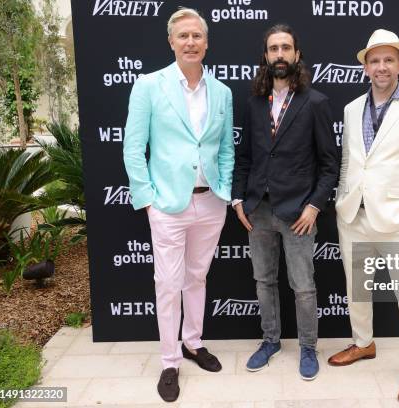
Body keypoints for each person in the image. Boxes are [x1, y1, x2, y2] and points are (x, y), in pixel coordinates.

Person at [123, 8, 234, 402]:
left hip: (211, 204)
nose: (190, 42)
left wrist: (225, 191)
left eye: (197, 36)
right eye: (183, 36)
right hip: (167, 205)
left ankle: (193, 342)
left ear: (206, 43)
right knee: (168, 285)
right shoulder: (148, 86)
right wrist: (149, 202)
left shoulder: (222, 92)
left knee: (197, 278)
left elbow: (225, 150)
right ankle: (170, 362)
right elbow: (133, 149)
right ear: (171, 42)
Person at [327, 29, 399, 403]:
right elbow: (348, 161)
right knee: (357, 290)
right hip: (353, 215)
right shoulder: (351, 108)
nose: (381, 66)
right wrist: (344, 198)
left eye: (388, 60)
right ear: (365, 67)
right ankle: (363, 343)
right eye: (374, 60)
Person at [231, 24, 339, 381]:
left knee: (303, 286)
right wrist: (238, 201)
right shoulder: (254, 103)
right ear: (265, 56)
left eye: (286, 48)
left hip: (298, 213)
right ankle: (270, 341)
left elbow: (329, 165)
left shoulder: (316, 103)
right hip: (258, 210)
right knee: (263, 281)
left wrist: (314, 207)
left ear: (297, 55)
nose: (279, 54)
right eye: (273, 48)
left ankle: (308, 348)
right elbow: (244, 157)